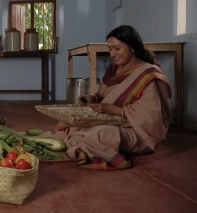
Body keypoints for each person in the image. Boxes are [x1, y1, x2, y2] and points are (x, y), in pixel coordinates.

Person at [56, 25, 172, 170]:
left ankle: (89, 146)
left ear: (132, 47)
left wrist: (112, 109)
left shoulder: (149, 75)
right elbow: (100, 95)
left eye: (117, 48)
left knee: (100, 135)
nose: (112, 54)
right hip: (110, 121)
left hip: (136, 131)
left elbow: (151, 118)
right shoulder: (113, 69)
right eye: (110, 49)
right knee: (67, 125)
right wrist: (90, 99)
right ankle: (86, 143)